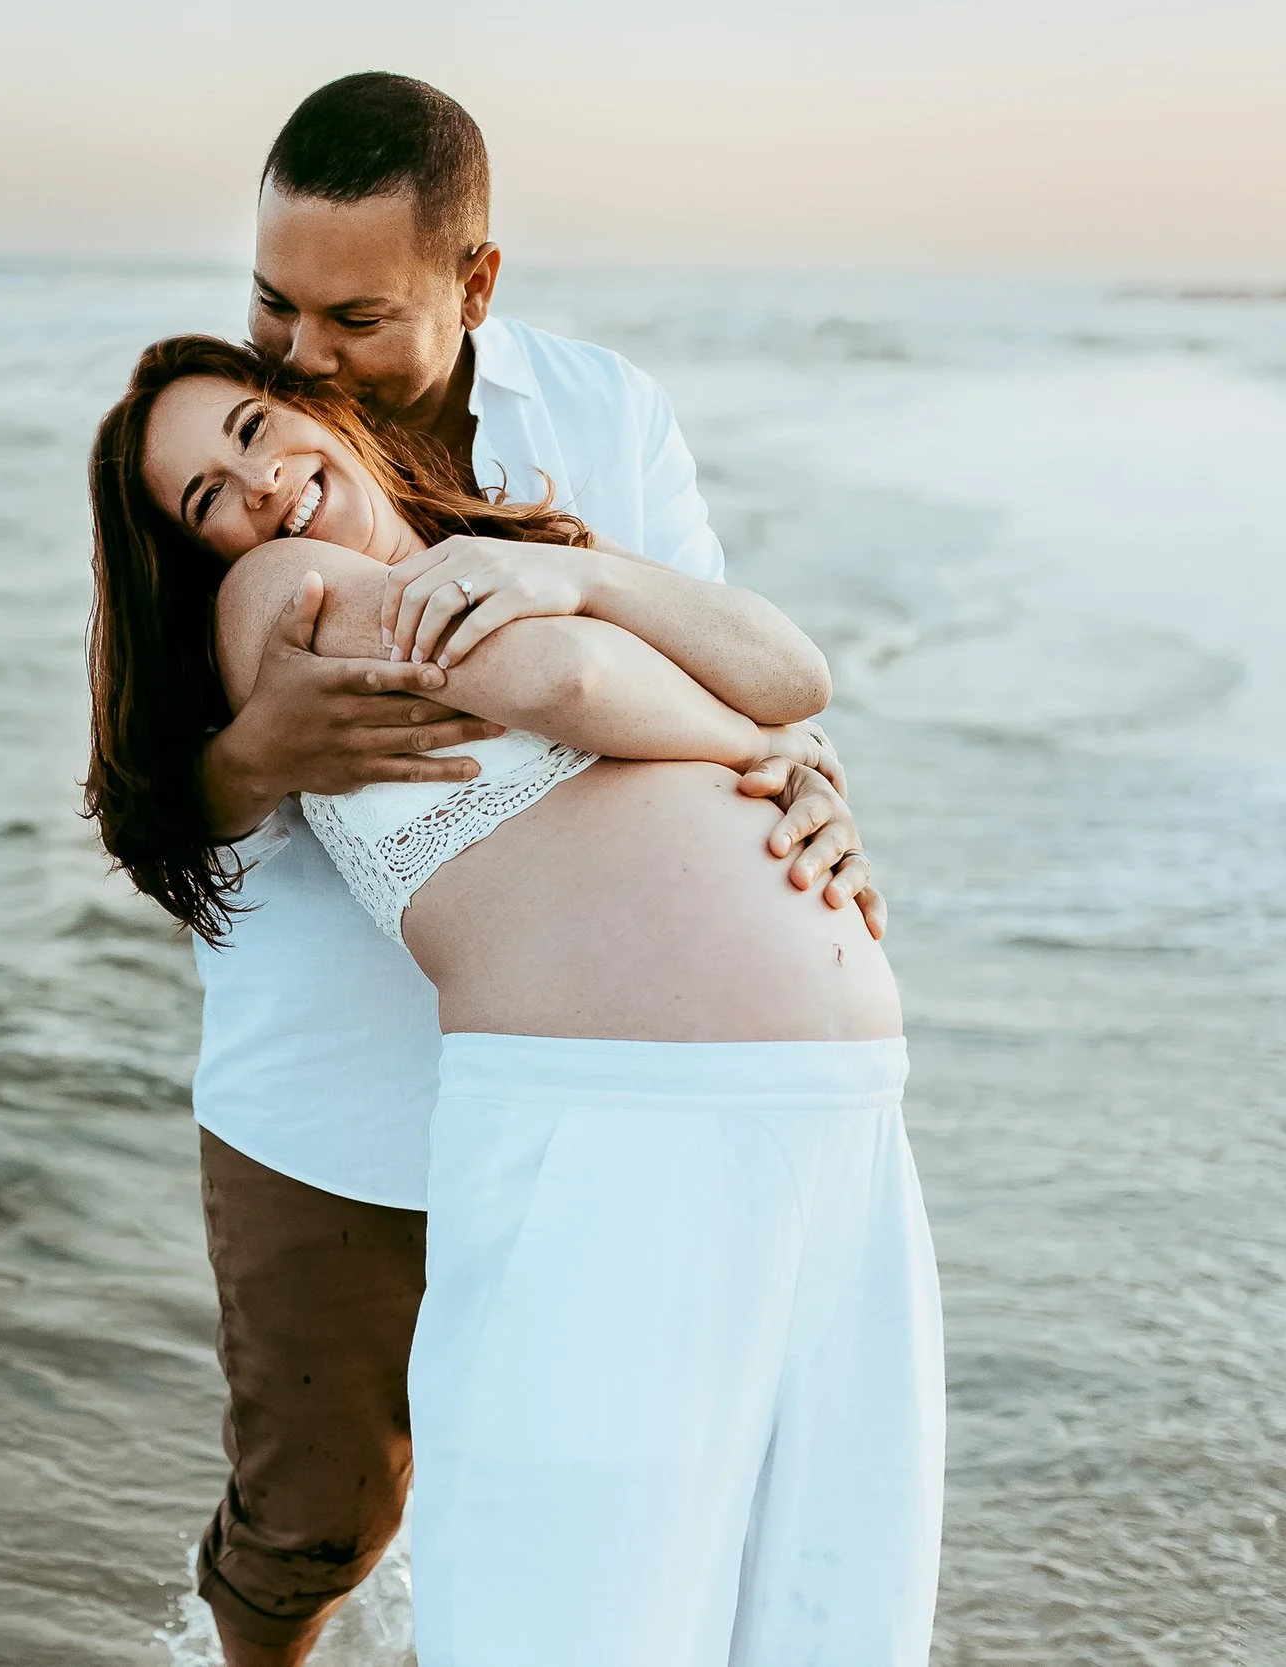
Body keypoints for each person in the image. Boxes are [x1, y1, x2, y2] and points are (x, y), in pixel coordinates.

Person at [155, 74, 887, 1666]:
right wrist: (260, 749)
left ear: (476, 283)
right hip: (334, 1090)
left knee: (600, 1483)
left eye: (355, 315)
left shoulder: (603, 414)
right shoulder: (234, 477)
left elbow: (710, 644)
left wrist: (810, 775)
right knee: (320, 1511)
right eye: (273, 300)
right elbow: (148, 805)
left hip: (599, 1079)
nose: (302, 357)